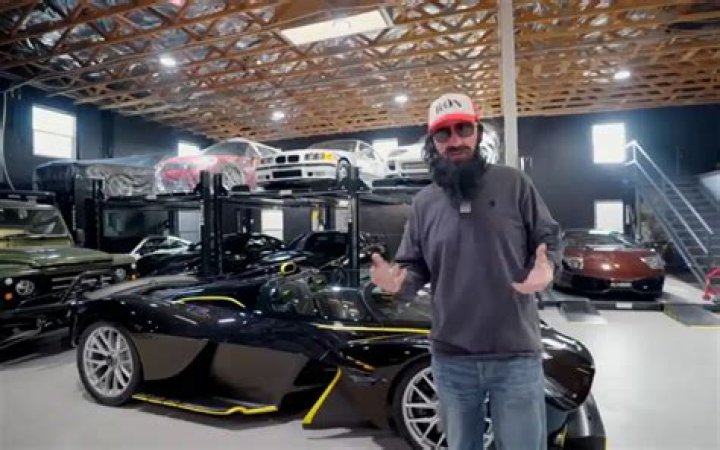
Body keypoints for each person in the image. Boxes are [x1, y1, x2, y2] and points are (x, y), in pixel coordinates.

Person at [370, 93, 561, 450]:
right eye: (443, 133)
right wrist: (397, 283)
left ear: (478, 132)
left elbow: (548, 237)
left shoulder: (514, 184)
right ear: (433, 141)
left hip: (515, 354)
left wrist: (547, 266)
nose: (455, 140)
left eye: (463, 129)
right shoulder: (424, 203)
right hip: (452, 358)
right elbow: (414, 267)